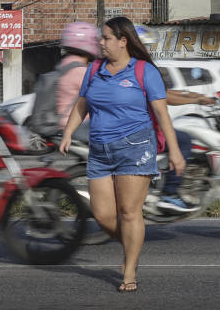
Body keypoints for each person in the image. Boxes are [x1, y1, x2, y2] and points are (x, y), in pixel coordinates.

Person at [59, 16, 186, 293]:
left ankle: (129, 269)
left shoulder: (144, 72)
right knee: (103, 215)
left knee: (129, 212)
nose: (101, 43)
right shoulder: (94, 70)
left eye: (106, 38)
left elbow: (163, 113)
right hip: (100, 149)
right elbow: (82, 105)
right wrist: (69, 132)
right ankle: (131, 245)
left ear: (122, 41)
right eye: (101, 38)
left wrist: (175, 151)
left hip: (136, 148)